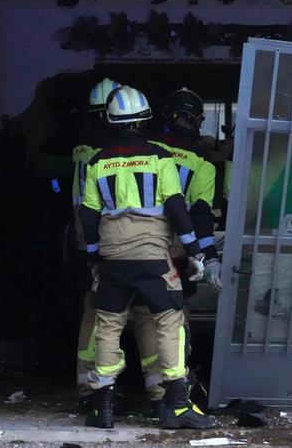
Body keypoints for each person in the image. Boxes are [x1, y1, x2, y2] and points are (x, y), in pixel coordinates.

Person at [80, 85, 214, 430]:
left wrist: (94, 256)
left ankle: (102, 403)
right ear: (146, 119)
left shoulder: (98, 161)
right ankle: (176, 403)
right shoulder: (159, 158)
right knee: (169, 322)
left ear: (111, 121)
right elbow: (176, 206)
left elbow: (89, 215)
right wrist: (195, 251)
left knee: (108, 326)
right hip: (154, 257)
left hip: (112, 258)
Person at [136, 87, 222, 413]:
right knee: (174, 321)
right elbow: (201, 215)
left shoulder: (144, 149)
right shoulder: (203, 162)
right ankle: (174, 389)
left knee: (143, 317)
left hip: (137, 245)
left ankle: (152, 387)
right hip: (177, 249)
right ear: (199, 121)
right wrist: (208, 257)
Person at [73, 77, 120, 411]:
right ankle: (94, 387)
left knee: (95, 312)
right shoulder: (104, 151)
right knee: (104, 315)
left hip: (83, 235)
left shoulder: (82, 146)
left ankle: (89, 383)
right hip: (103, 235)